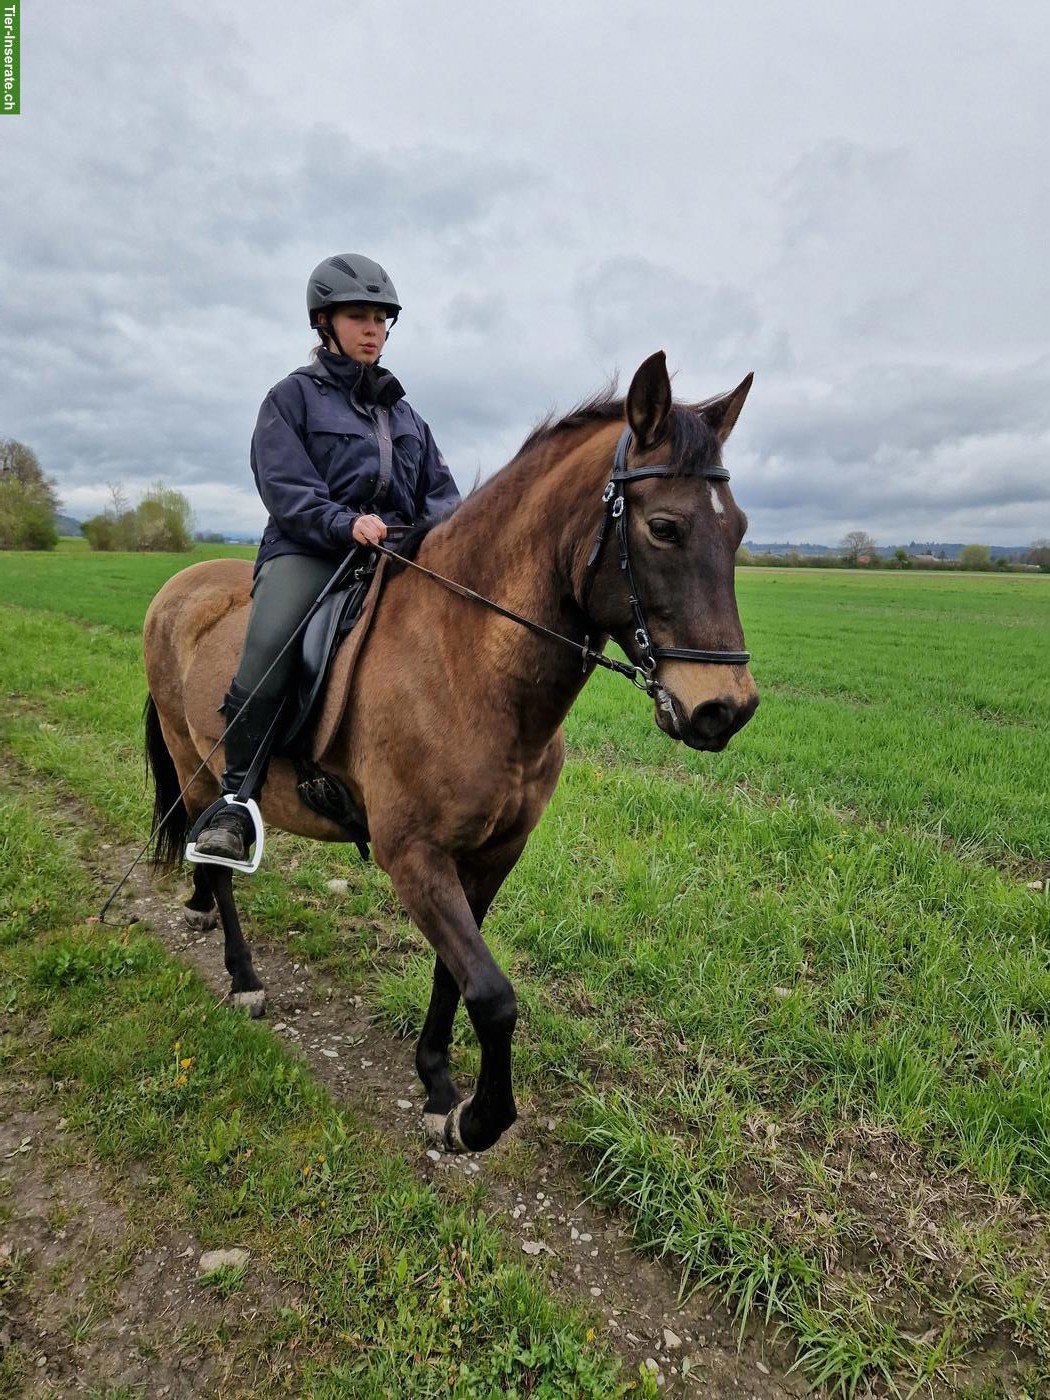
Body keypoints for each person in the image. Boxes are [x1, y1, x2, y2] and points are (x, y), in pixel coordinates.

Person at [193, 253, 461, 863]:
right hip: (310, 548)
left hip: (398, 554)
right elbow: (285, 487)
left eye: (381, 319)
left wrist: (441, 534)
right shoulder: (290, 400)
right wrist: (344, 523)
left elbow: (442, 493)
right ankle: (235, 803)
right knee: (271, 645)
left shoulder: (407, 415)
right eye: (359, 317)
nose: (373, 329)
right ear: (325, 323)